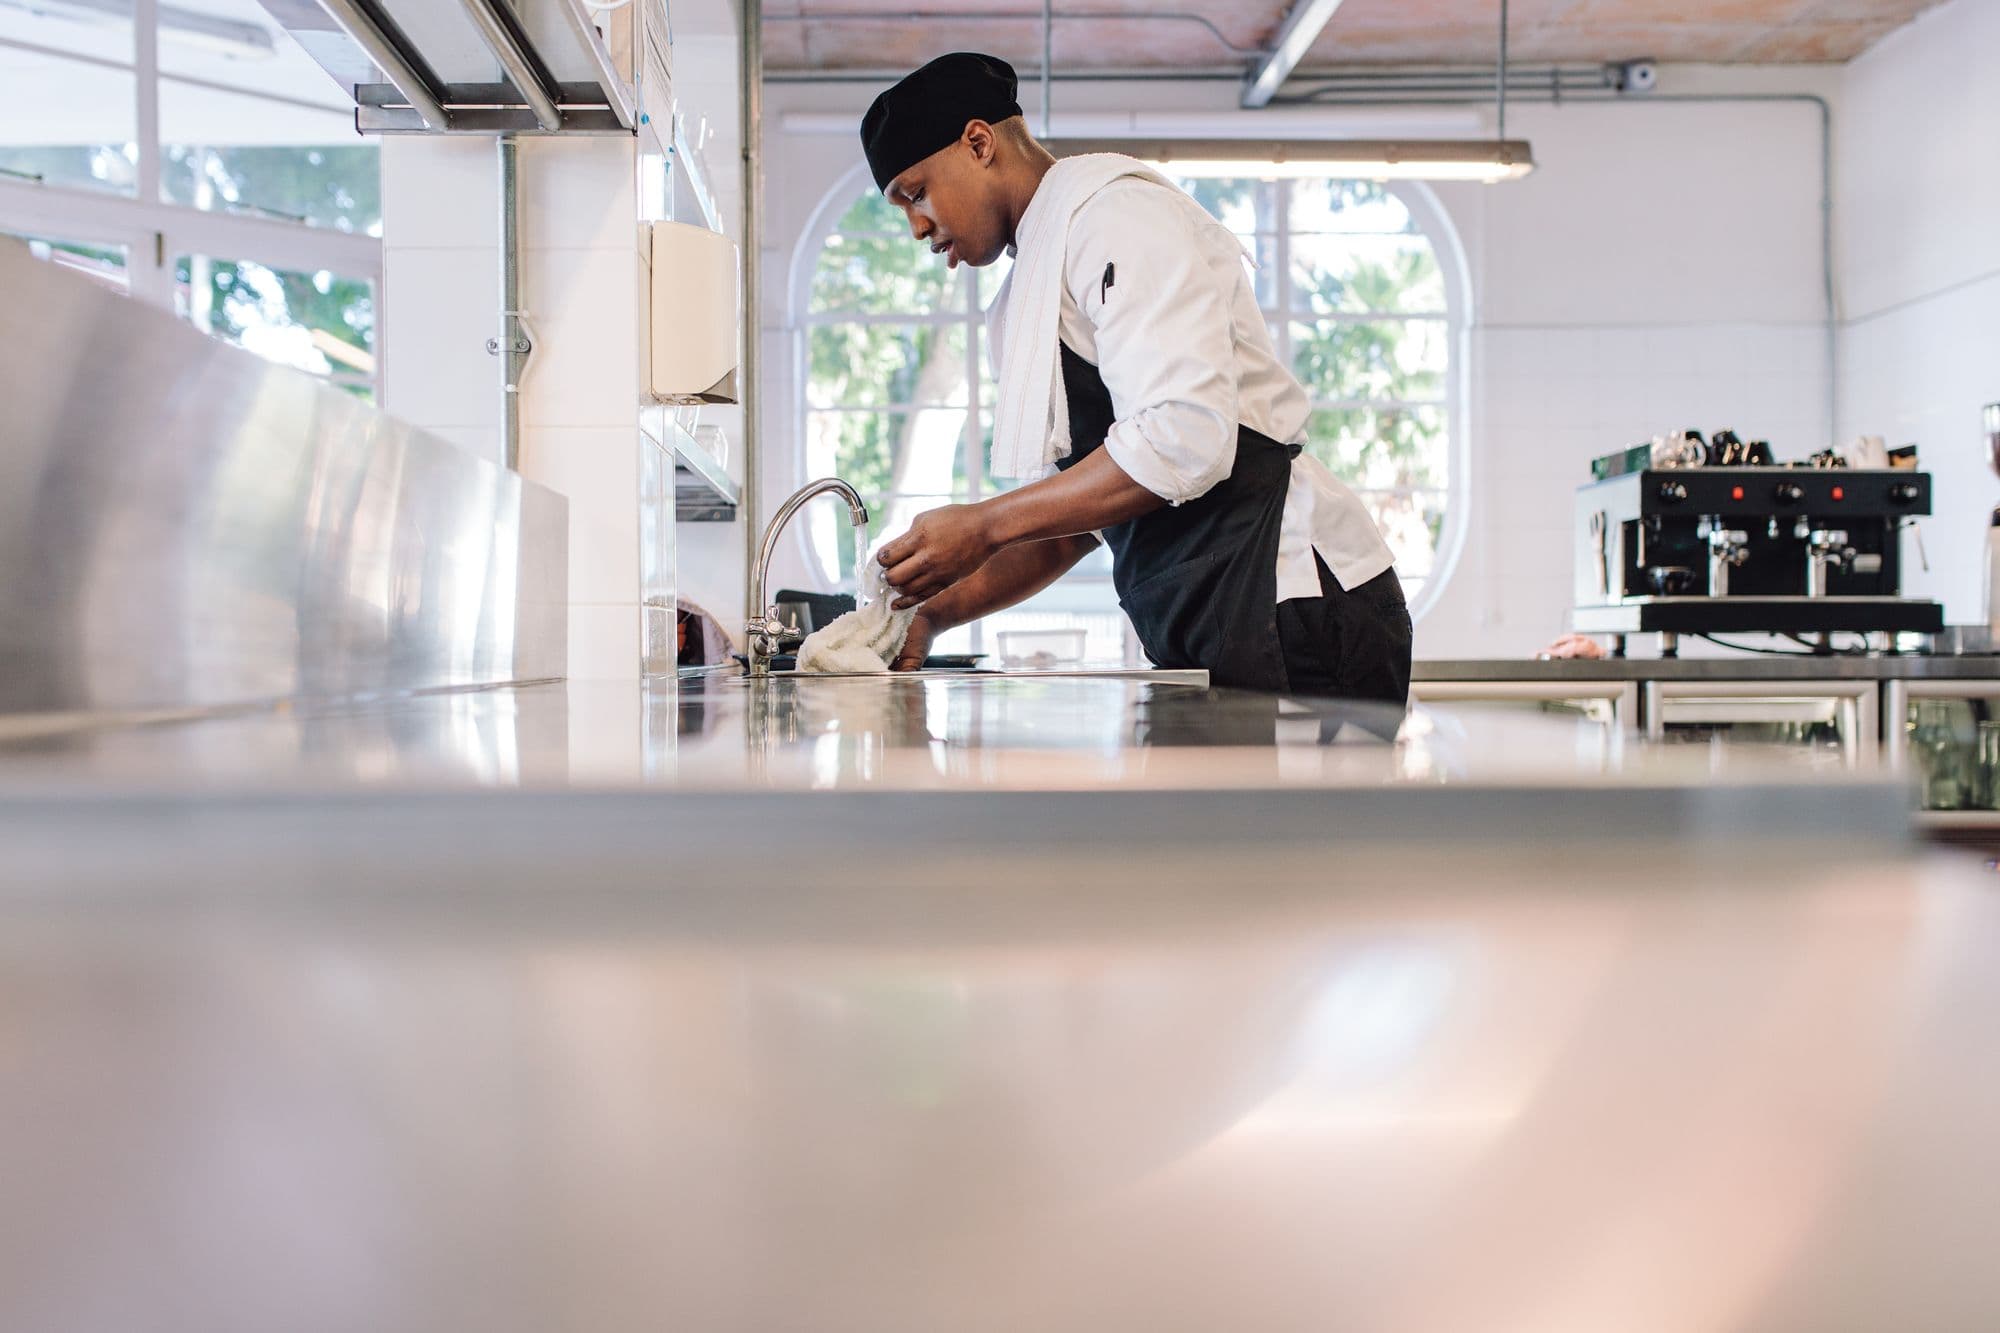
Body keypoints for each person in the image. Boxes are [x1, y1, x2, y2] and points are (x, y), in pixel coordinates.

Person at [860, 53, 1412, 703]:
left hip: (1294, 596)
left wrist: (983, 524)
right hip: (1207, 616)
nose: (916, 227)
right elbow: (1069, 524)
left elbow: (1185, 434)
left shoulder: (1114, 215)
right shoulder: (1025, 301)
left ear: (979, 142)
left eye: (915, 192)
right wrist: (932, 613)